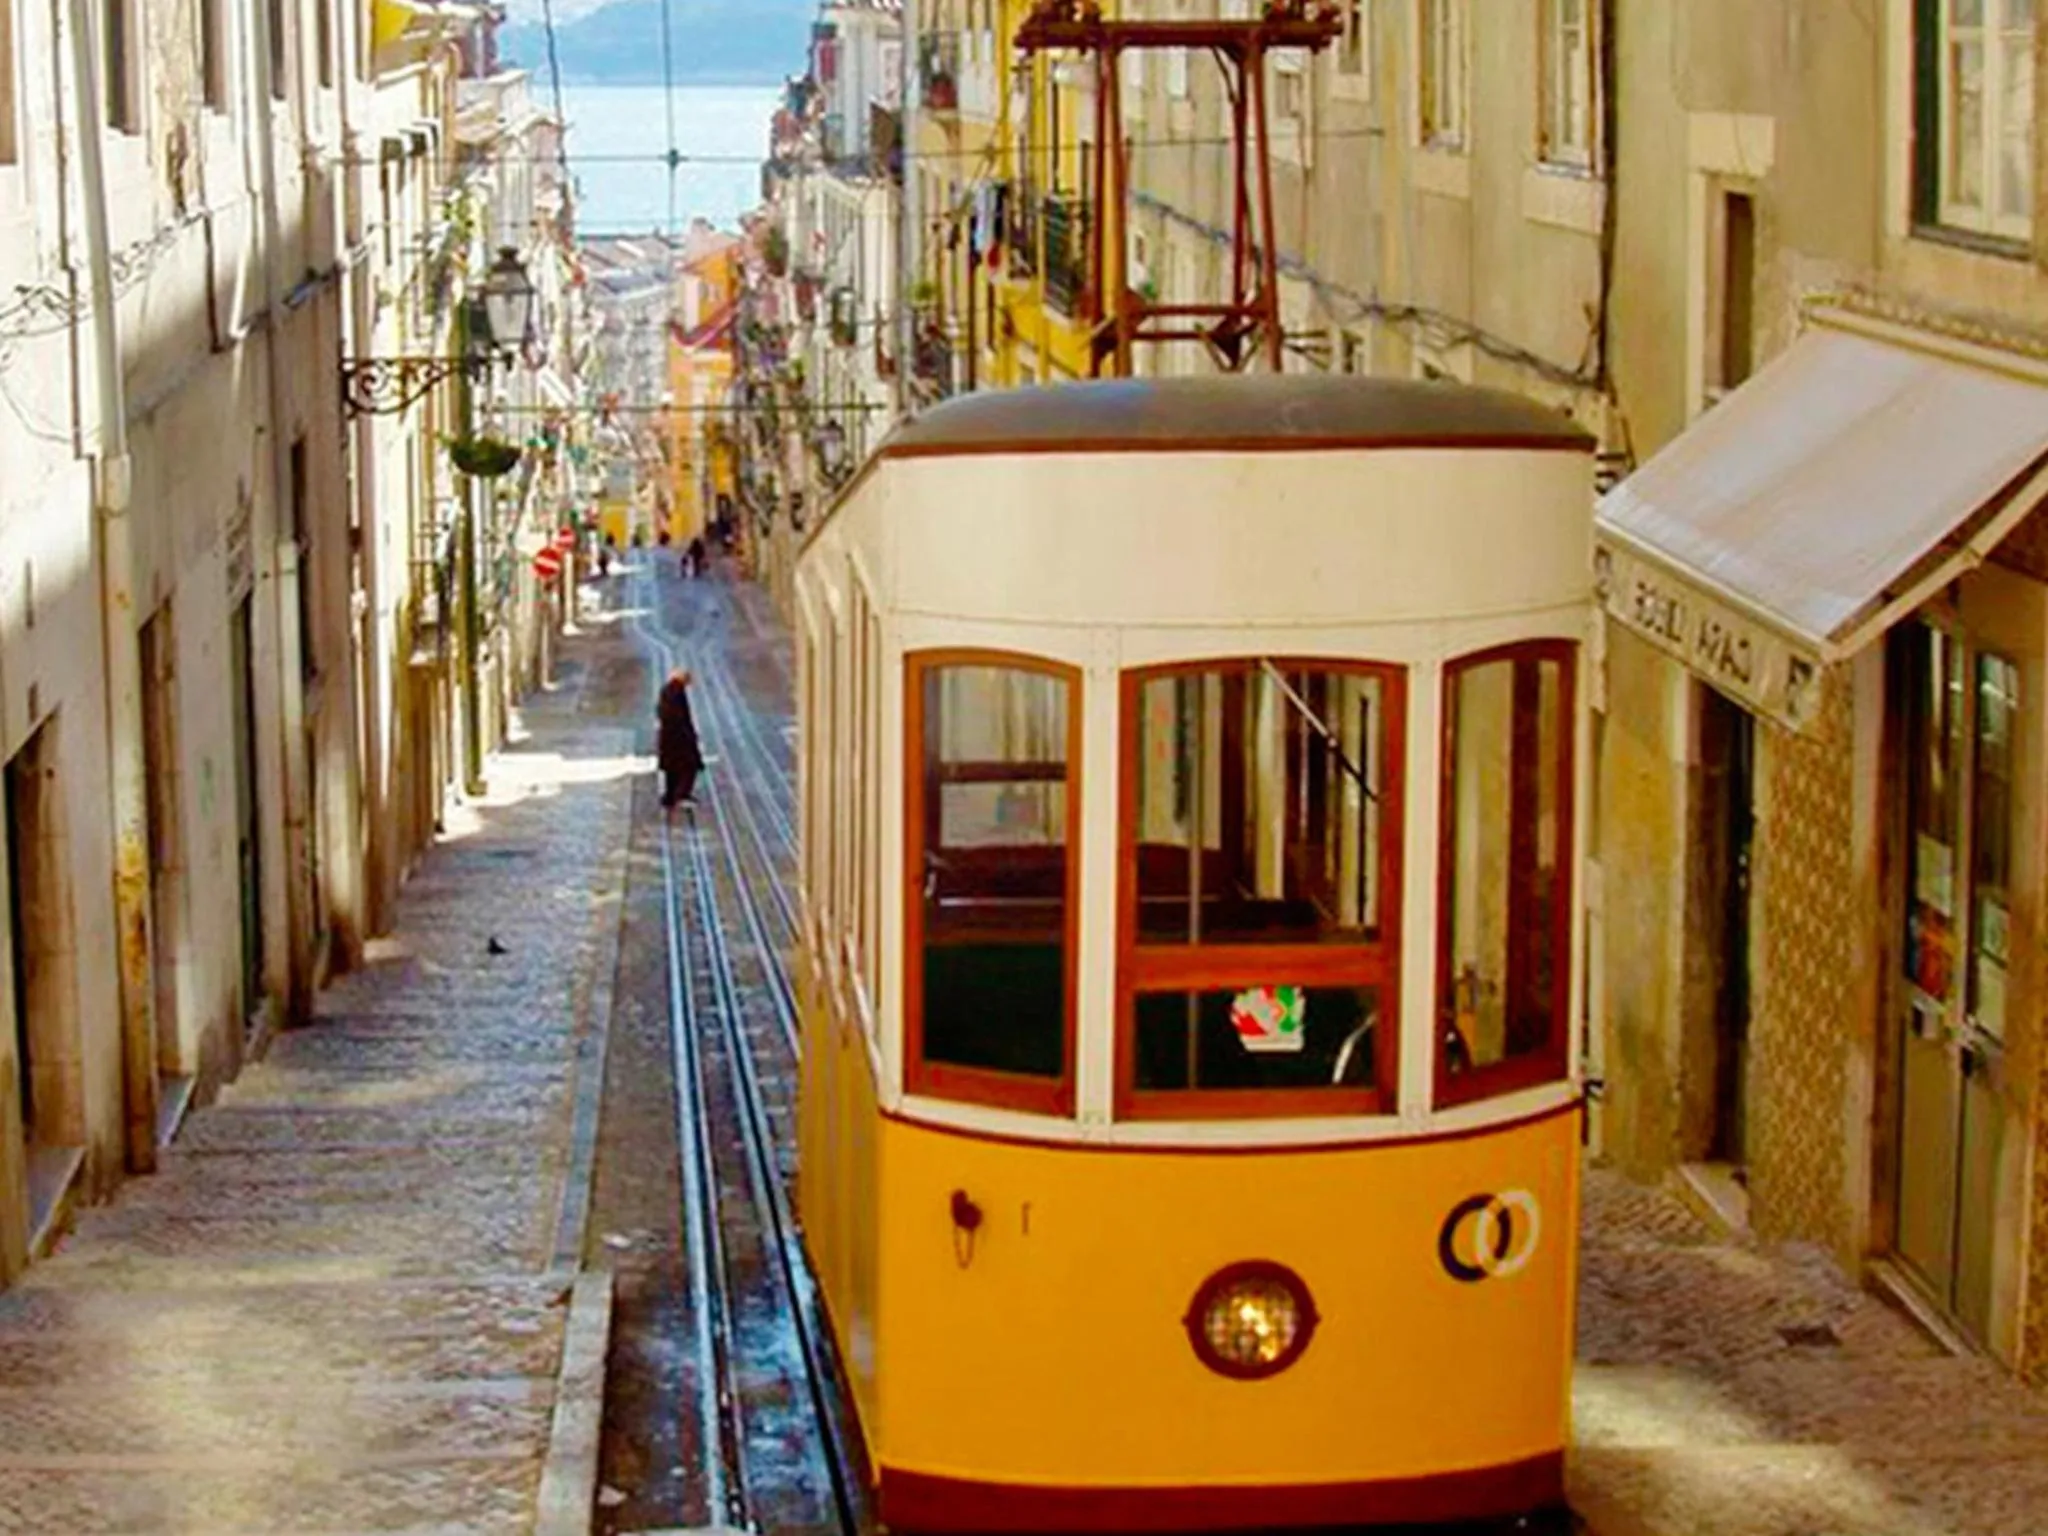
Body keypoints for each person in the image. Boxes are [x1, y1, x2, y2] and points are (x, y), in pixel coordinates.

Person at [656, 668, 704, 811]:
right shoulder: (676, 692)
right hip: (679, 738)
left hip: (668, 737)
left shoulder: (666, 690)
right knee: (689, 766)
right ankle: (681, 795)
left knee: (672, 768)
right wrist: (689, 735)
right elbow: (680, 716)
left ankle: (670, 796)